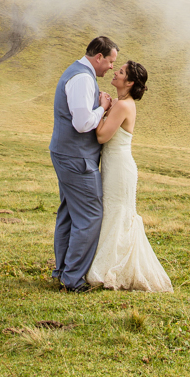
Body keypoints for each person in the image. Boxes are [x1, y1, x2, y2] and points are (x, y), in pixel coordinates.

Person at [86, 59, 173, 292]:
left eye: (121, 71)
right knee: (114, 214)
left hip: (120, 169)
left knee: (117, 215)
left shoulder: (123, 106)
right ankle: (110, 265)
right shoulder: (121, 103)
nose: (115, 72)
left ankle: (110, 270)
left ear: (130, 82)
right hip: (115, 166)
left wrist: (102, 109)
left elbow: (102, 136)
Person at [48, 35, 116, 292]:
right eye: (110, 61)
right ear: (99, 57)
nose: (111, 67)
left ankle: (62, 271)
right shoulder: (83, 79)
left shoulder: (76, 73)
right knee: (90, 216)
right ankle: (72, 280)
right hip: (76, 158)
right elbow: (82, 123)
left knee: (68, 213)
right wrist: (103, 107)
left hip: (67, 154)